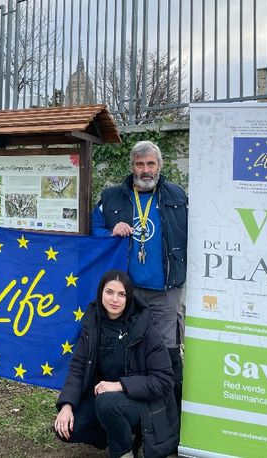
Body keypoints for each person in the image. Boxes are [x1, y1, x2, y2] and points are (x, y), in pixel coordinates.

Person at [91, 140, 187, 407]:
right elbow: (91, 228)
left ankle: (171, 414)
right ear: (132, 166)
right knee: (127, 350)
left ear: (159, 166)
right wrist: (110, 232)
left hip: (166, 292)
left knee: (167, 353)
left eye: (150, 164)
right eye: (140, 164)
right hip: (126, 293)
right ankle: (130, 410)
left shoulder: (177, 196)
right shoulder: (112, 197)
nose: (145, 170)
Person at [54, 270, 179, 458]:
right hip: (108, 401)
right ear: (100, 293)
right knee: (68, 428)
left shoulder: (144, 329)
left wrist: (119, 385)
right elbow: (78, 368)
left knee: (106, 402)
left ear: (129, 298)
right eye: (109, 292)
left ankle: (124, 452)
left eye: (122, 294)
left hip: (145, 405)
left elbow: (164, 380)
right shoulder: (93, 324)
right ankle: (118, 433)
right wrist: (66, 405)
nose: (115, 299)